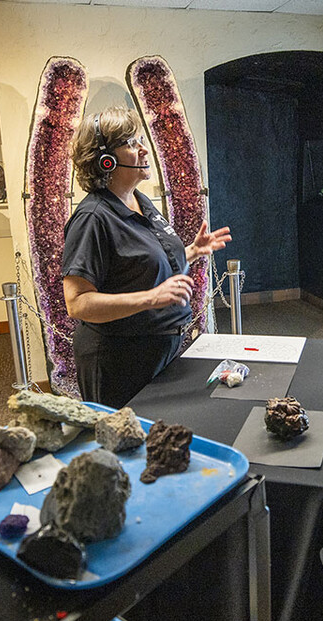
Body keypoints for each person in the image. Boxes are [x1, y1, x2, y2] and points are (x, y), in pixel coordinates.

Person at [61, 107, 231, 407]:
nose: (143, 149)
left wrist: (190, 251)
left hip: (159, 351)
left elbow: (139, 266)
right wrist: (150, 298)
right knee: (126, 447)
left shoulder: (140, 201)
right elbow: (78, 303)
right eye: (130, 143)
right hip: (118, 360)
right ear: (106, 160)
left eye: (141, 139)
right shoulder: (93, 217)